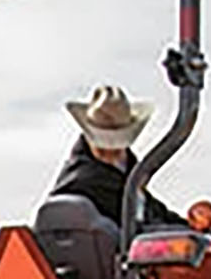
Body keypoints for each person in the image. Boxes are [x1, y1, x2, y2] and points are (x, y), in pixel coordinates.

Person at [48, 83, 188, 229]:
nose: (110, 151)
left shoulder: (126, 172)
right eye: (104, 147)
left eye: (116, 146)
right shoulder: (83, 182)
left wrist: (188, 225)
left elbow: (149, 208)